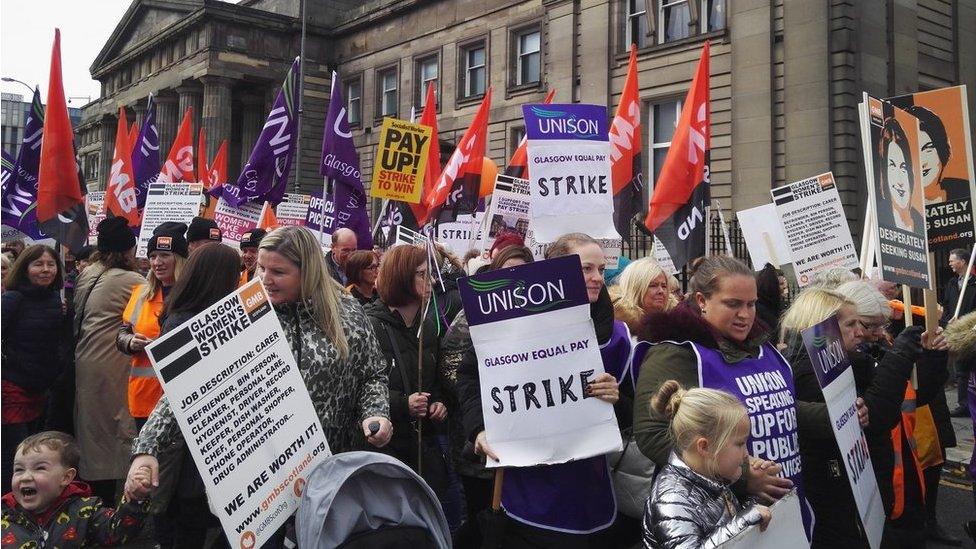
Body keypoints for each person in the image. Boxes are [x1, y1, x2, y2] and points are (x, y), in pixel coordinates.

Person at [128, 227, 393, 490]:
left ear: (309, 271)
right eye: (262, 269)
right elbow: (191, 387)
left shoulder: (346, 311)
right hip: (262, 481)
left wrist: (376, 414)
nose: (265, 279)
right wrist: (147, 448)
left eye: (278, 272)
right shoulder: (242, 312)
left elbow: (372, 373)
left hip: (331, 472)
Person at [458, 233, 627, 547]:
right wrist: (479, 430)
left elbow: (633, 414)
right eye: (586, 269)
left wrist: (615, 397)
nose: (596, 278)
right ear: (557, 271)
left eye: (601, 270)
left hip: (592, 491)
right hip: (529, 490)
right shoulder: (510, 324)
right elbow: (469, 376)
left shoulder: (618, 335)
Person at [632, 256, 801, 529]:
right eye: (733, 304)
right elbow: (653, 433)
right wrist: (742, 476)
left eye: (751, 304)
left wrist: (838, 411)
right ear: (702, 301)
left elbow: (783, 407)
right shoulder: (675, 353)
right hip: (712, 512)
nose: (745, 314)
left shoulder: (761, 347)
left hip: (780, 508)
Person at [780, 285, 940, 547]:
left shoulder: (857, 361)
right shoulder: (809, 374)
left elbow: (911, 397)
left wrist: (932, 357)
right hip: (838, 503)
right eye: (851, 324)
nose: (862, 333)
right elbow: (877, 415)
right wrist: (899, 356)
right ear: (823, 328)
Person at [126, 243, 243, 547]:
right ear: (219, 277)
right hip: (184, 441)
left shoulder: (212, 312)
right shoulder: (181, 320)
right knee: (183, 519)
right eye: (235, 272)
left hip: (201, 437)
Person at [440, 244, 535, 547]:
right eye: (509, 273)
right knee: (482, 521)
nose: (515, 279)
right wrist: (494, 403)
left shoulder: (540, 318)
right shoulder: (473, 314)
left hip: (526, 447)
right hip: (479, 448)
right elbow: (452, 368)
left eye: (523, 272)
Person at [366, 245, 452, 506]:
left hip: (421, 446)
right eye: (422, 274)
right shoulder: (370, 325)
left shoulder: (427, 324)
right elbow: (362, 387)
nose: (432, 281)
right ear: (403, 277)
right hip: (386, 450)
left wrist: (438, 402)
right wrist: (403, 404)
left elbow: (433, 378)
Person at [642, 381, 771, 548]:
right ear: (704, 447)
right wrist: (744, 521)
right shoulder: (672, 498)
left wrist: (756, 503)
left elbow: (721, 522)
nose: (746, 454)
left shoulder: (712, 478)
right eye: (740, 444)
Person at [73, 217, 145, 504]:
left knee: (93, 434)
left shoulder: (89, 272)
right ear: (128, 250)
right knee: (117, 433)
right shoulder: (133, 281)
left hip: (86, 362)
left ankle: (93, 502)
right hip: (114, 364)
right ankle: (114, 510)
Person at [2, 431, 152, 548]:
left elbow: (118, 532)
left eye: (39, 468)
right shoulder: (5, 516)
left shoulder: (85, 511)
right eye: (19, 470)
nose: (25, 477)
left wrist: (135, 498)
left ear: (66, 477)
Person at [1, 245, 70, 494]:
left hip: (40, 390)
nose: (45, 270)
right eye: (38, 264)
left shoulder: (54, 299)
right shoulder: (13, 299)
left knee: (32, 451)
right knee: (14, 456)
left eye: (50, 264)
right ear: (25, 268)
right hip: (13, 389)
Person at [116, 222, 188, 431]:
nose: (157, 262)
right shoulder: (141, 293)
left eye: (164, 256)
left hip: (182, 398)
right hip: (146, 399)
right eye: (153, 256)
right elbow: (122, 333)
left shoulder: (192, 297)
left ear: (180, 259)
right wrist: (130, 341)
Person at [905, 104, 970, 203]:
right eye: (912, 152)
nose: (922, 163)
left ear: (941, 150)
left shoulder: (965, 190)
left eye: (928, 149)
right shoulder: (901, 210)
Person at [941, 248, 975, 417]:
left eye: (952, 260)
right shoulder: (951, 284)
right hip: (957, 332)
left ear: (962, 262)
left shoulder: (974, 284)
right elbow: (946, 305)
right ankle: (964, 404)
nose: (949, 264)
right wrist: (948, 320)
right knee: (961, 370)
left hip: (972, 332)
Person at [876, 116, 924, 233]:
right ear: (884, 173)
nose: (899, 181)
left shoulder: (921, 221)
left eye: (903, 168)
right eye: (892, 166)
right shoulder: (879, 217)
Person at [611, 256, 677, 336]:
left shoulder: (675, 323)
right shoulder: (618, 329)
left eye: (664, 286)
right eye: (653, 285)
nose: (661, 291)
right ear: (635, 288)